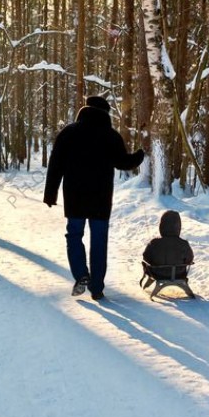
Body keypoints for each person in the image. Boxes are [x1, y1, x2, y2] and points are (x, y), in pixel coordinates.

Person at [43, 96, 144, 299]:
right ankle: (97, 288)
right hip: (100, 197)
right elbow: (123, 162)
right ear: (105, 113)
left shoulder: (69, 133)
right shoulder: (110, 136)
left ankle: (81, 275)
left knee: (74, 236)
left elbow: (56, 165)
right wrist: (140, 155)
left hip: (75, 196)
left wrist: (50, 193)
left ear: (85, 110)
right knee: (99, 240)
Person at [142, 210, 194, 281]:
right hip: (179, 275)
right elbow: (189, 259)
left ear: (162, 226)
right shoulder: (184, 244)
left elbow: (146, 257)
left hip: (157, 275)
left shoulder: (154, 243)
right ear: (178, 226)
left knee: (145, 264)